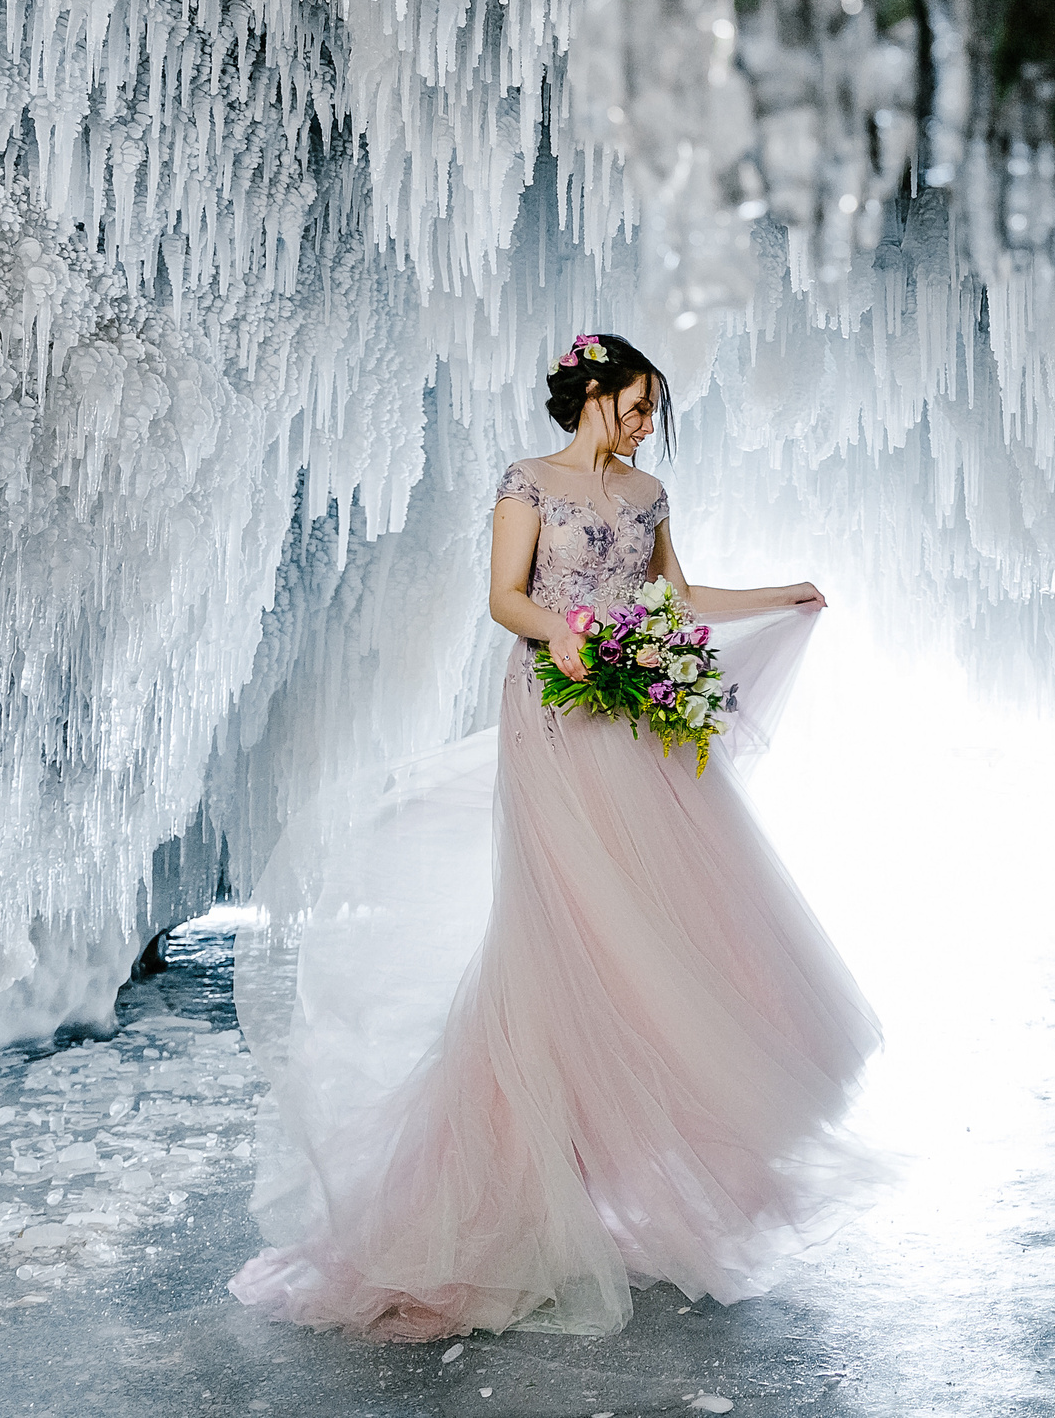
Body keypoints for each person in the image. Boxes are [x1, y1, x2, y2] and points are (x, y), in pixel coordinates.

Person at [228, 333, 881, 1342]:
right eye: (636, 402)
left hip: (632, 716)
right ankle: (504, 1193)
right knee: (567, 924)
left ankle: (622, 1142)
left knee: (668, 915)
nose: (646, 420)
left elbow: (677, 597)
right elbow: (504, 597)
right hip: (556, 709)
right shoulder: (525, 483)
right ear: (594, 393)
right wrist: (561, 632)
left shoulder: (647, 491)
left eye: (652, 409)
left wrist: (781, 595)